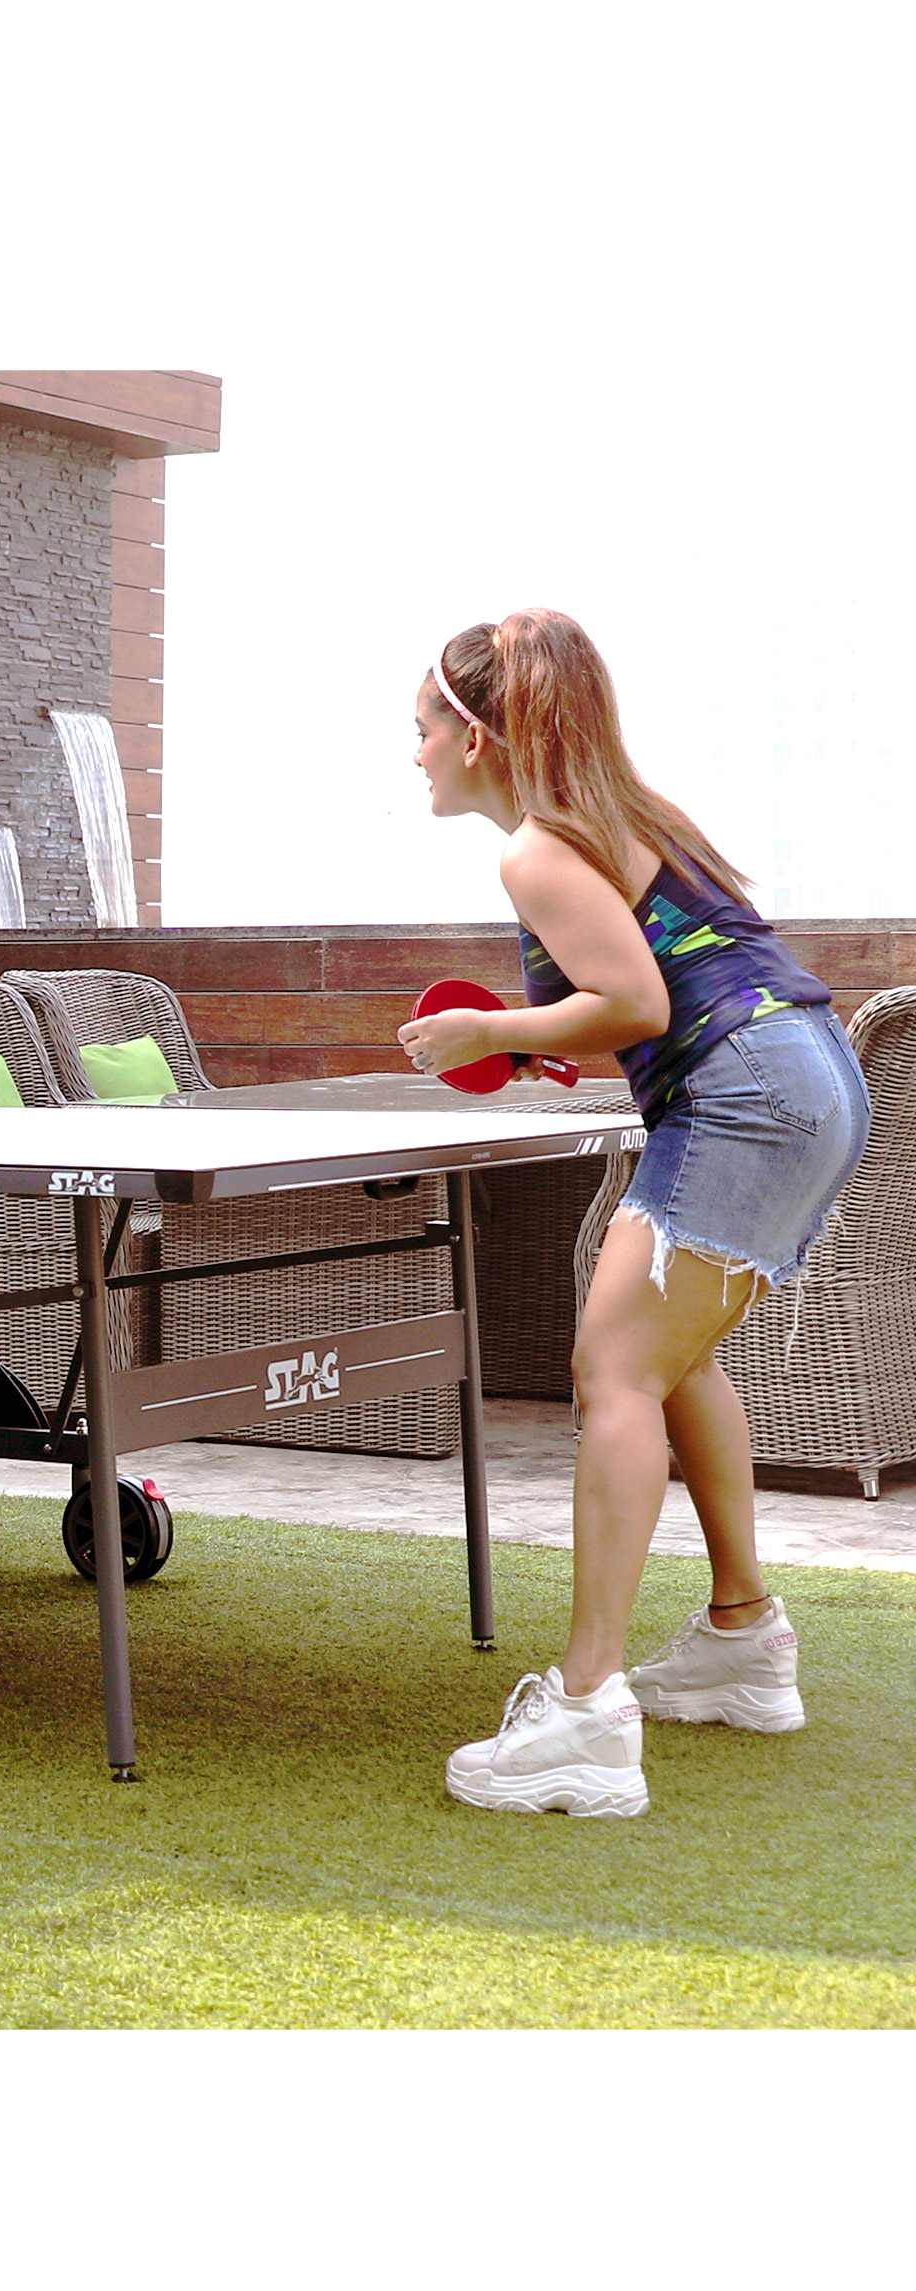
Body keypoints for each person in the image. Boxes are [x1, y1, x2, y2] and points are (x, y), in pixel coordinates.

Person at [400, 609, 868, 1816]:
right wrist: (536, 1041)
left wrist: (488, 1027)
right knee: (671, 1359)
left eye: (423, 730)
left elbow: (640, 1002)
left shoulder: (538, 850)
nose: (414, 753)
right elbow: (664, 981)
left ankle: (587, 1716)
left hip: (747, 1090)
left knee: (611, 1370)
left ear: (478, 737)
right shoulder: (620, 814)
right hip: (810, 1074)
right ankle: (741, 1638)